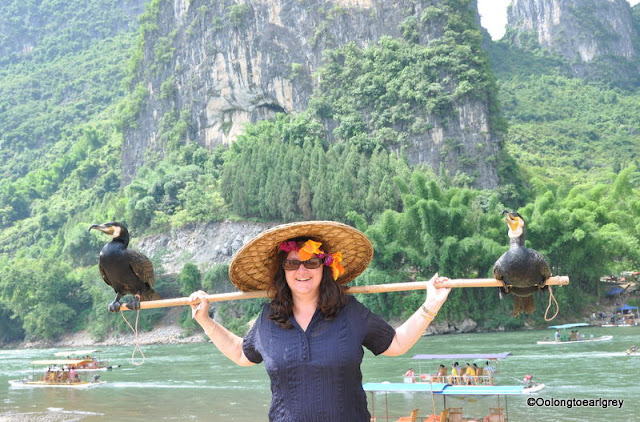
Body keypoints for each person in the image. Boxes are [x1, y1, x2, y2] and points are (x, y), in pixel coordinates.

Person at [189, 221, 451, 422]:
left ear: (324, 267)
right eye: (292, 264)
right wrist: (205, 320)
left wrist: (431, 305)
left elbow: (396, 344)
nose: (302, 271)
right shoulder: (269, 318)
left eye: (310, 262)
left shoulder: (350, 312)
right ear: (283, 271)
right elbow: (240, 353)